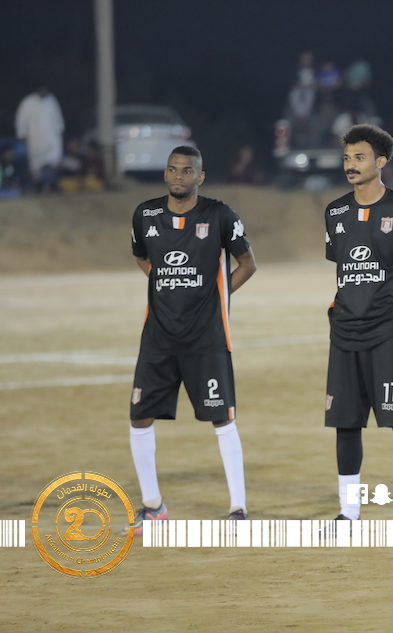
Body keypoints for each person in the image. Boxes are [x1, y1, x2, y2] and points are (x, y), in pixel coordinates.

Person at [124, 146, 257, 534]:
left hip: (206, 338)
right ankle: (153, 507)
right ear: (165, 174)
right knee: (139, 416)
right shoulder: (145, 215)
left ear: (200, 177)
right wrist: (165, 286)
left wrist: (216, 298)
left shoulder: (220, 215)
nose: (178, 176)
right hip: (158, 337)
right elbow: (142, 257)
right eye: (172, 170)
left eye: (186, 171)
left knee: (222, 417)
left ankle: (238, 509)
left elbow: (247, 264)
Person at [323, 124, 393, 522]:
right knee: (346, 423)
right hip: (344, 332)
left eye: (360, 157)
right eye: (347, 158)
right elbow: (344, 267)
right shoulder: (335, 212)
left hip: (387, 334)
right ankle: (348, 511)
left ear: (381, 162)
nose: (351, 165)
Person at [14, 86, 65, 193]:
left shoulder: (51, 100)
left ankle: (52, 185)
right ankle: (38, 185)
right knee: (36, 165)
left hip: (51, 138)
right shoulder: (28, 102)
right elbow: (21, 119)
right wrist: (21, 133)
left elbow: (57, 116)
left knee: (53, 161)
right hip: (35, 139)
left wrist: (60, 128)